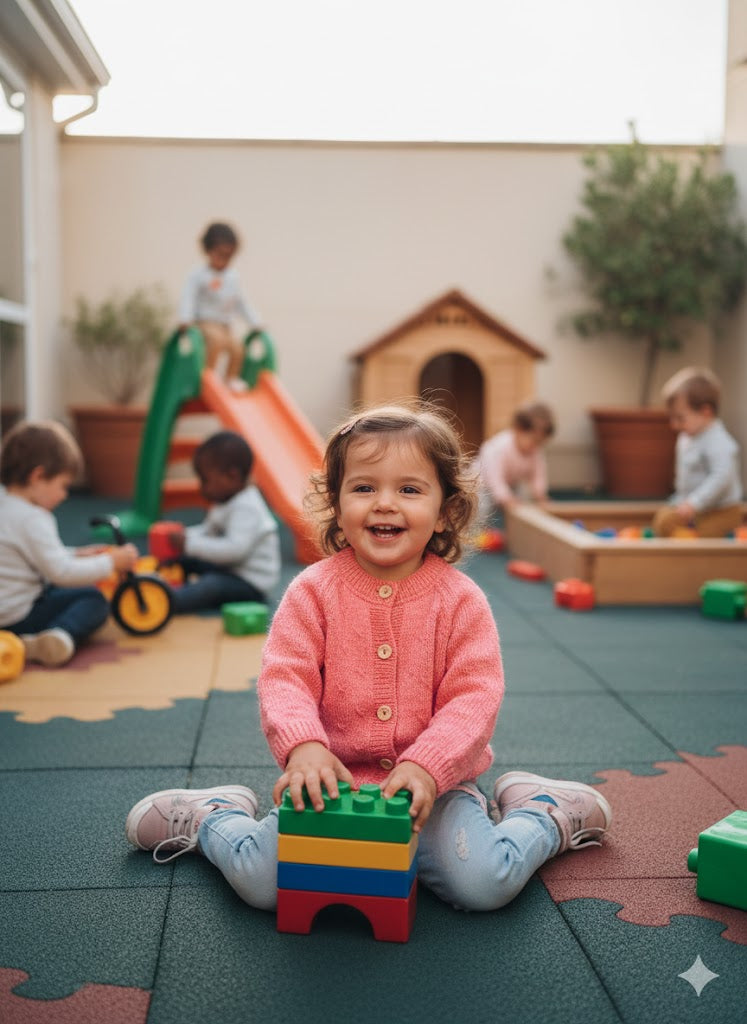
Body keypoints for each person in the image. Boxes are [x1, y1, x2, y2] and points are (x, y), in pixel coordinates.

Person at [125, 402, 611, 916]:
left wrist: (428, 767)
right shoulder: (312, 592)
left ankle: (544, 814)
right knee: (262, 884)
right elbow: (285, 678)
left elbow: (474, 697)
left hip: (434, 793)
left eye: (409, 489)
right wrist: (304, 748)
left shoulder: (461, 601)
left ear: (446, 509)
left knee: (484, 883)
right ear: (336, 503)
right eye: (363, 488)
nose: (384, 504)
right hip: (331, 785)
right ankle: (213, 818)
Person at [0, 420, 138, 666]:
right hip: (17, 615)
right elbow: (60, 573)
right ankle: (59, 635)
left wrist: (77, 554)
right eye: (63, 486)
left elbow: (32, 556)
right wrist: (110, 562)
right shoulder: (33, 518)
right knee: (92, 599)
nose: (65, 496)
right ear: (38, 476)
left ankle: (27, 640)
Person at [165, 430, 280, 614]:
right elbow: (209, 531)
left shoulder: (247, 508)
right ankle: (166, 580)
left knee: (211, 585)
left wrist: (189, 543)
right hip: (228, 568)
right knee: (186, 559)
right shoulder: (225, 499)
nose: (201, 487)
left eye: (205, 480)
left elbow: (233, 551)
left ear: (232, 476)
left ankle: (169, 601)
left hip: (250, 583)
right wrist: (186, 535)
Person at [652, 367, 743, 538]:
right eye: (672, 418)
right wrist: (681, 502)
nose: (674, 425)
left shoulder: (718, 441)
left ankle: (691, 546)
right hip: (692, 508)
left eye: (680, 418)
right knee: (663, 520)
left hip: (722, 510)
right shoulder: (686, 437)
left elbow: (721, 477)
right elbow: (685, 477)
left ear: (705, 411)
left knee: (707, 534)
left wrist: (695, 503)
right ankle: (685, 539)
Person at [178, 221, 262, 392]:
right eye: (220, 255)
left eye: (229, 256)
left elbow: (241, 302)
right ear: (208, 251)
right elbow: (188, 297)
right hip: (204, 322)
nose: (224, 260)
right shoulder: (199, 275)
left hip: (225, 325)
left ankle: (231, 379)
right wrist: (185, 318)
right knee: (216, 342)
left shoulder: (232, 277)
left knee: (238, 348)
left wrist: (255, 322)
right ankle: (207, 377)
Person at [473, 400, 555, 523]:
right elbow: (494, 479)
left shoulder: (535, 451)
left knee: (523, 500)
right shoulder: (498, 447)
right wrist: (506, 498)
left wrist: (540, 495)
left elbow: (538, 475)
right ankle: (473, 537)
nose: (535, 446)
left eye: (540, 443)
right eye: (533, 440)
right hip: (481, 485)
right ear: (517, 430)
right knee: (481, 506)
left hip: (510, 484)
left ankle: (513, 532)